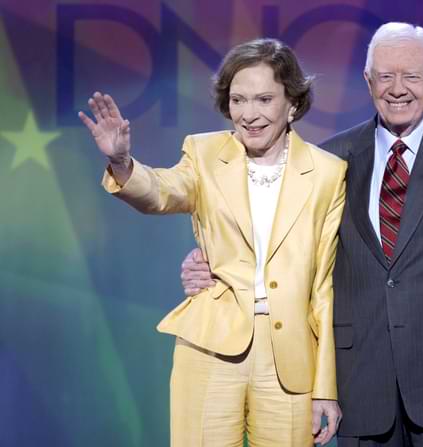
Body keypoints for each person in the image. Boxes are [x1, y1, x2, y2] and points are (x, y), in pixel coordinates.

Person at [181, 23, 423, 446]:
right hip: (363, 383)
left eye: (412, 75)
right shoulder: (331, 160)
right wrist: (213, 265)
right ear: (369, 81)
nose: (398, 88)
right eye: (385, 76)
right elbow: (281, 244)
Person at [79, 38, 345, 447]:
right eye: (238, 100)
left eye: (263, 99)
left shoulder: (328, 173)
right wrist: (121, 163)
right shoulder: (204, 153)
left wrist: (325, 385)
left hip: (291, 358)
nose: (249, 114)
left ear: (292, 103)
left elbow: (323, 289)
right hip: (210, 347)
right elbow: (161, 191)